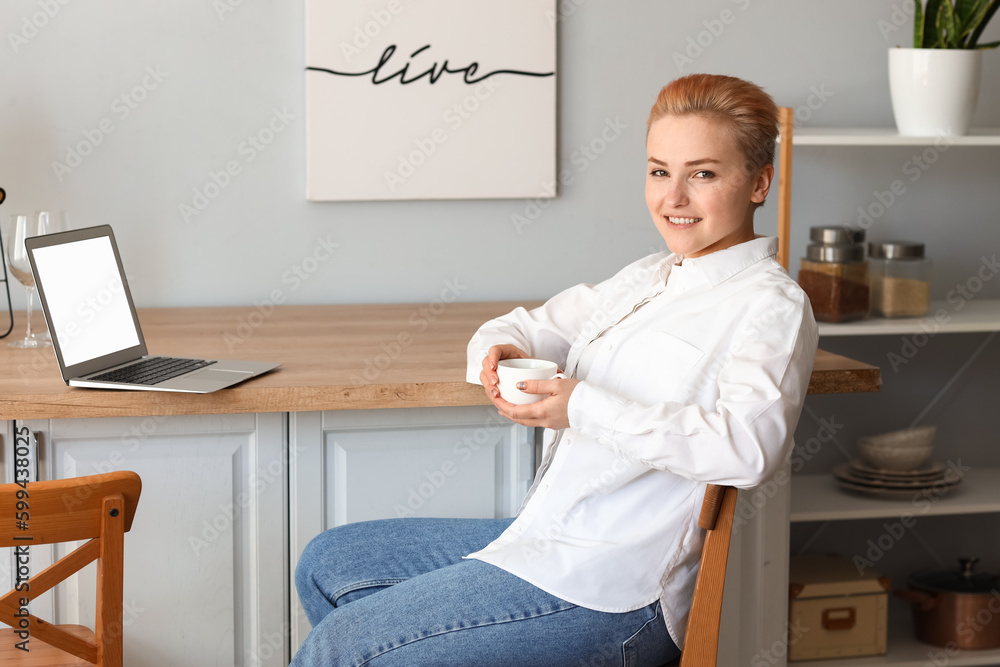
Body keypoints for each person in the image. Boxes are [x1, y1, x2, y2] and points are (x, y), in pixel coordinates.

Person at [291, 73, 819, 667]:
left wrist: (582, 406)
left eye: (702, 174)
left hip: (617, 588)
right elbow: (526, 325)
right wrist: (496, 355)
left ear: (759, 183)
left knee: (343, 646)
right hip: (546, 537)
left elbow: (750, 447)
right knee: (327, 563)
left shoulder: (770, 306)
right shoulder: (646, 277)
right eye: (658, 171)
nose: (673, 198)